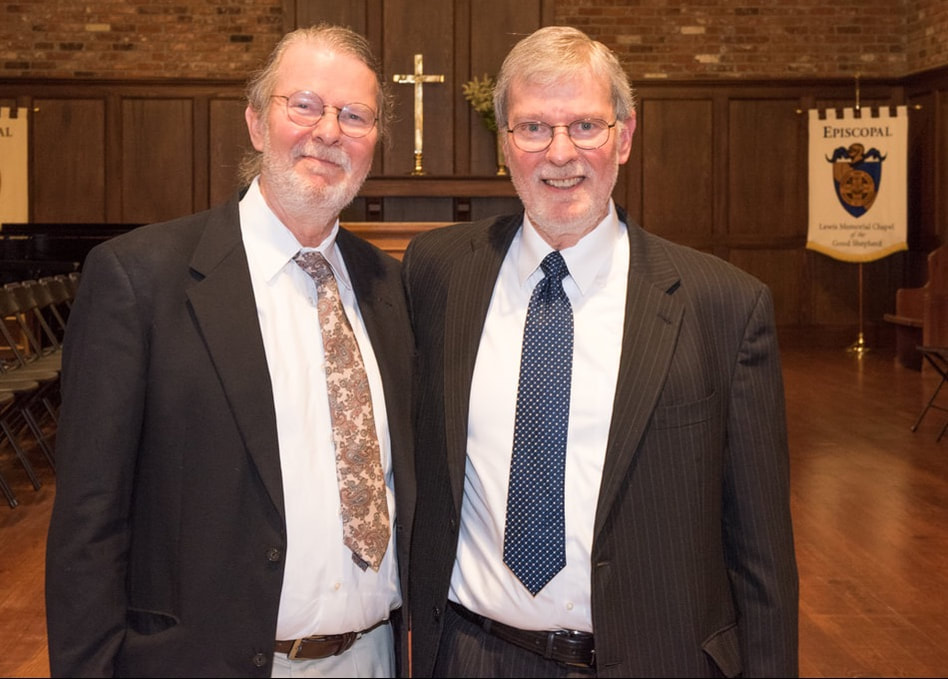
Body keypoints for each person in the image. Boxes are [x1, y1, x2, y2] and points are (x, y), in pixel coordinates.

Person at [403, 26, 798, 678]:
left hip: (652, 657)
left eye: (585, 124)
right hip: (469, 653)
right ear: (504, 144)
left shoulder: (724, 306)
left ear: (626, 136)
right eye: (533, 128)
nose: (561, 153)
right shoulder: (438, 273)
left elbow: (762, 556)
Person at [45, 24, 415, 678]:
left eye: (354, 115)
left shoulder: (389, 287)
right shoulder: (139, 280)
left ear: (373, 143)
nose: (329, 131)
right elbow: (87, 527)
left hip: (374, 657)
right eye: (303, 105)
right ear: (255, 122)